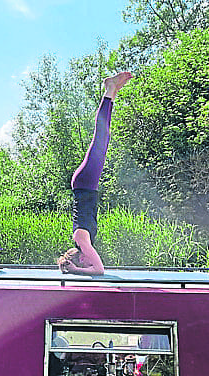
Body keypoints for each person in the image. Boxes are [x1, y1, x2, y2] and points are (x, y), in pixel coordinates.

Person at [57, 71, 133, 275]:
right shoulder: (82, 240)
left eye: (84, 263)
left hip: (85, 184)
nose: (88, 262)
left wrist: (75, 271)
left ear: (80, 258)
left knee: (101, 138)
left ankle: (108, 90)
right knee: (102, 139)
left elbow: (99, 270)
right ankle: (112, 92)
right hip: (86, 184)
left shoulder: (82, 240)